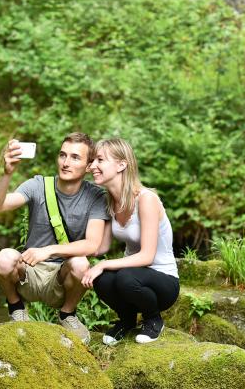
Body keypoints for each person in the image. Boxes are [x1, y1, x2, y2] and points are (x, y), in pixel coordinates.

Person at [0, 132, 110, 344]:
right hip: (29, 273)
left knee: (82, 263)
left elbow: (92, 245)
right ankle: (16, 307)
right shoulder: (38, 185)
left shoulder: (96, 196)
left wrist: (49, 250)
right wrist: (7, 173)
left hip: (62, 279)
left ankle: (67, 315)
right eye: (63, 155)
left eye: (75, 157)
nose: (66, 162)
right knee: (4, 258)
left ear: (89, 165)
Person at [82, 138, 179, 345]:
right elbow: (101, 247)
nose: (93, 166)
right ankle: (127, 321)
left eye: (100, 160)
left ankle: (153, 320)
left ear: (122, 165)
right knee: (102, 278)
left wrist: (104, 264)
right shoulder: (109, 200)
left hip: (163, 282)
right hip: (132, 277)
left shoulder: (146, 199)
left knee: (123, 276)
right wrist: (61, 252)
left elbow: (147, 256)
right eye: (92, 161)